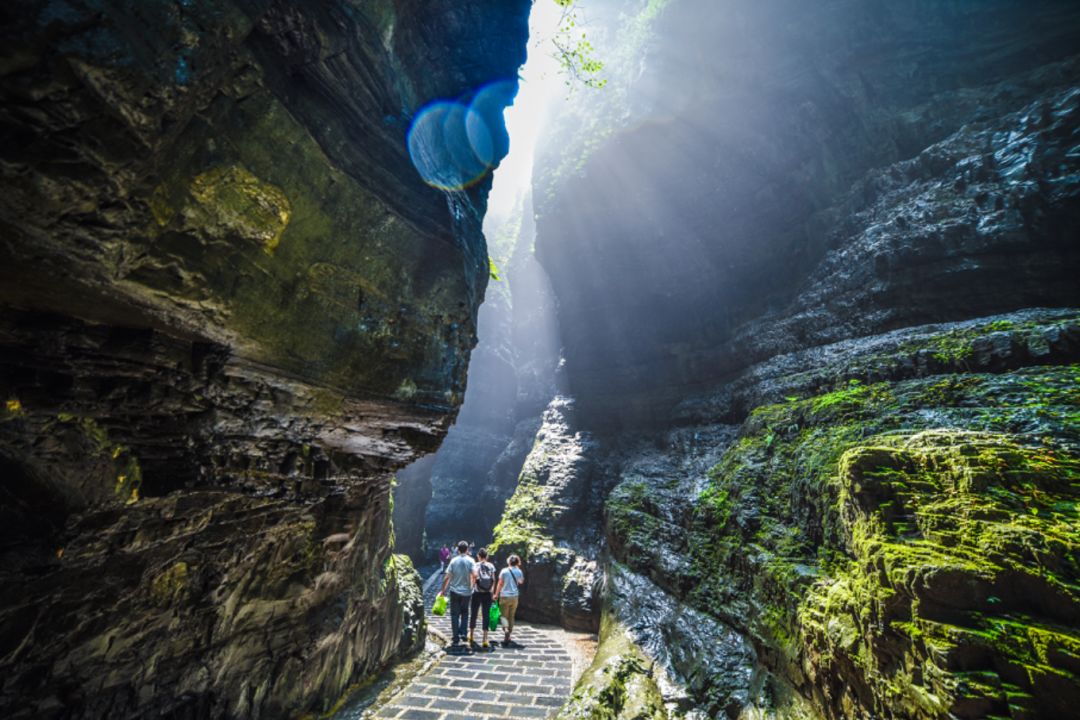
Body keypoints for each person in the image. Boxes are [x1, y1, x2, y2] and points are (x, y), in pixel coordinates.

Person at [437, 540, 474, 647]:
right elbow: (475, 574)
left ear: (458, 549)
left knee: (454, 614)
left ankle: (455, 636)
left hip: (454, 591)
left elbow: (447, 577)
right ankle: (463, 632)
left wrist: (443, 590)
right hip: (467, 592)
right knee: (465, 613)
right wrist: (472, 585)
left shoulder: (453, 561)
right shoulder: (471, 561)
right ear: (467, 550)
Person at [493, 554, 525, 647]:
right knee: (511, 615)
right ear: (517, 562)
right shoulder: (519, 571)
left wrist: (496, 594)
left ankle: (505, 630)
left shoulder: (504, 571)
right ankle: (509, 634)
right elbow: (521, 581)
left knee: (504, 616)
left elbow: (500, 583)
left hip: (504, 596)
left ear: (509, 562)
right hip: (514, 597)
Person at [468, 548, 496, 649]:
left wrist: (470, 588)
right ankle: (485, 639)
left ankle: (471, 635)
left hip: (477, 592)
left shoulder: (475, 565)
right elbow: (493, 579)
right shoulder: (491, 566)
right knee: (486, 615)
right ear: (487, 556)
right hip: (488, 593)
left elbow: (473, 578)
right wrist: (492, 592)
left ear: (478, 556)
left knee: (474, 613)